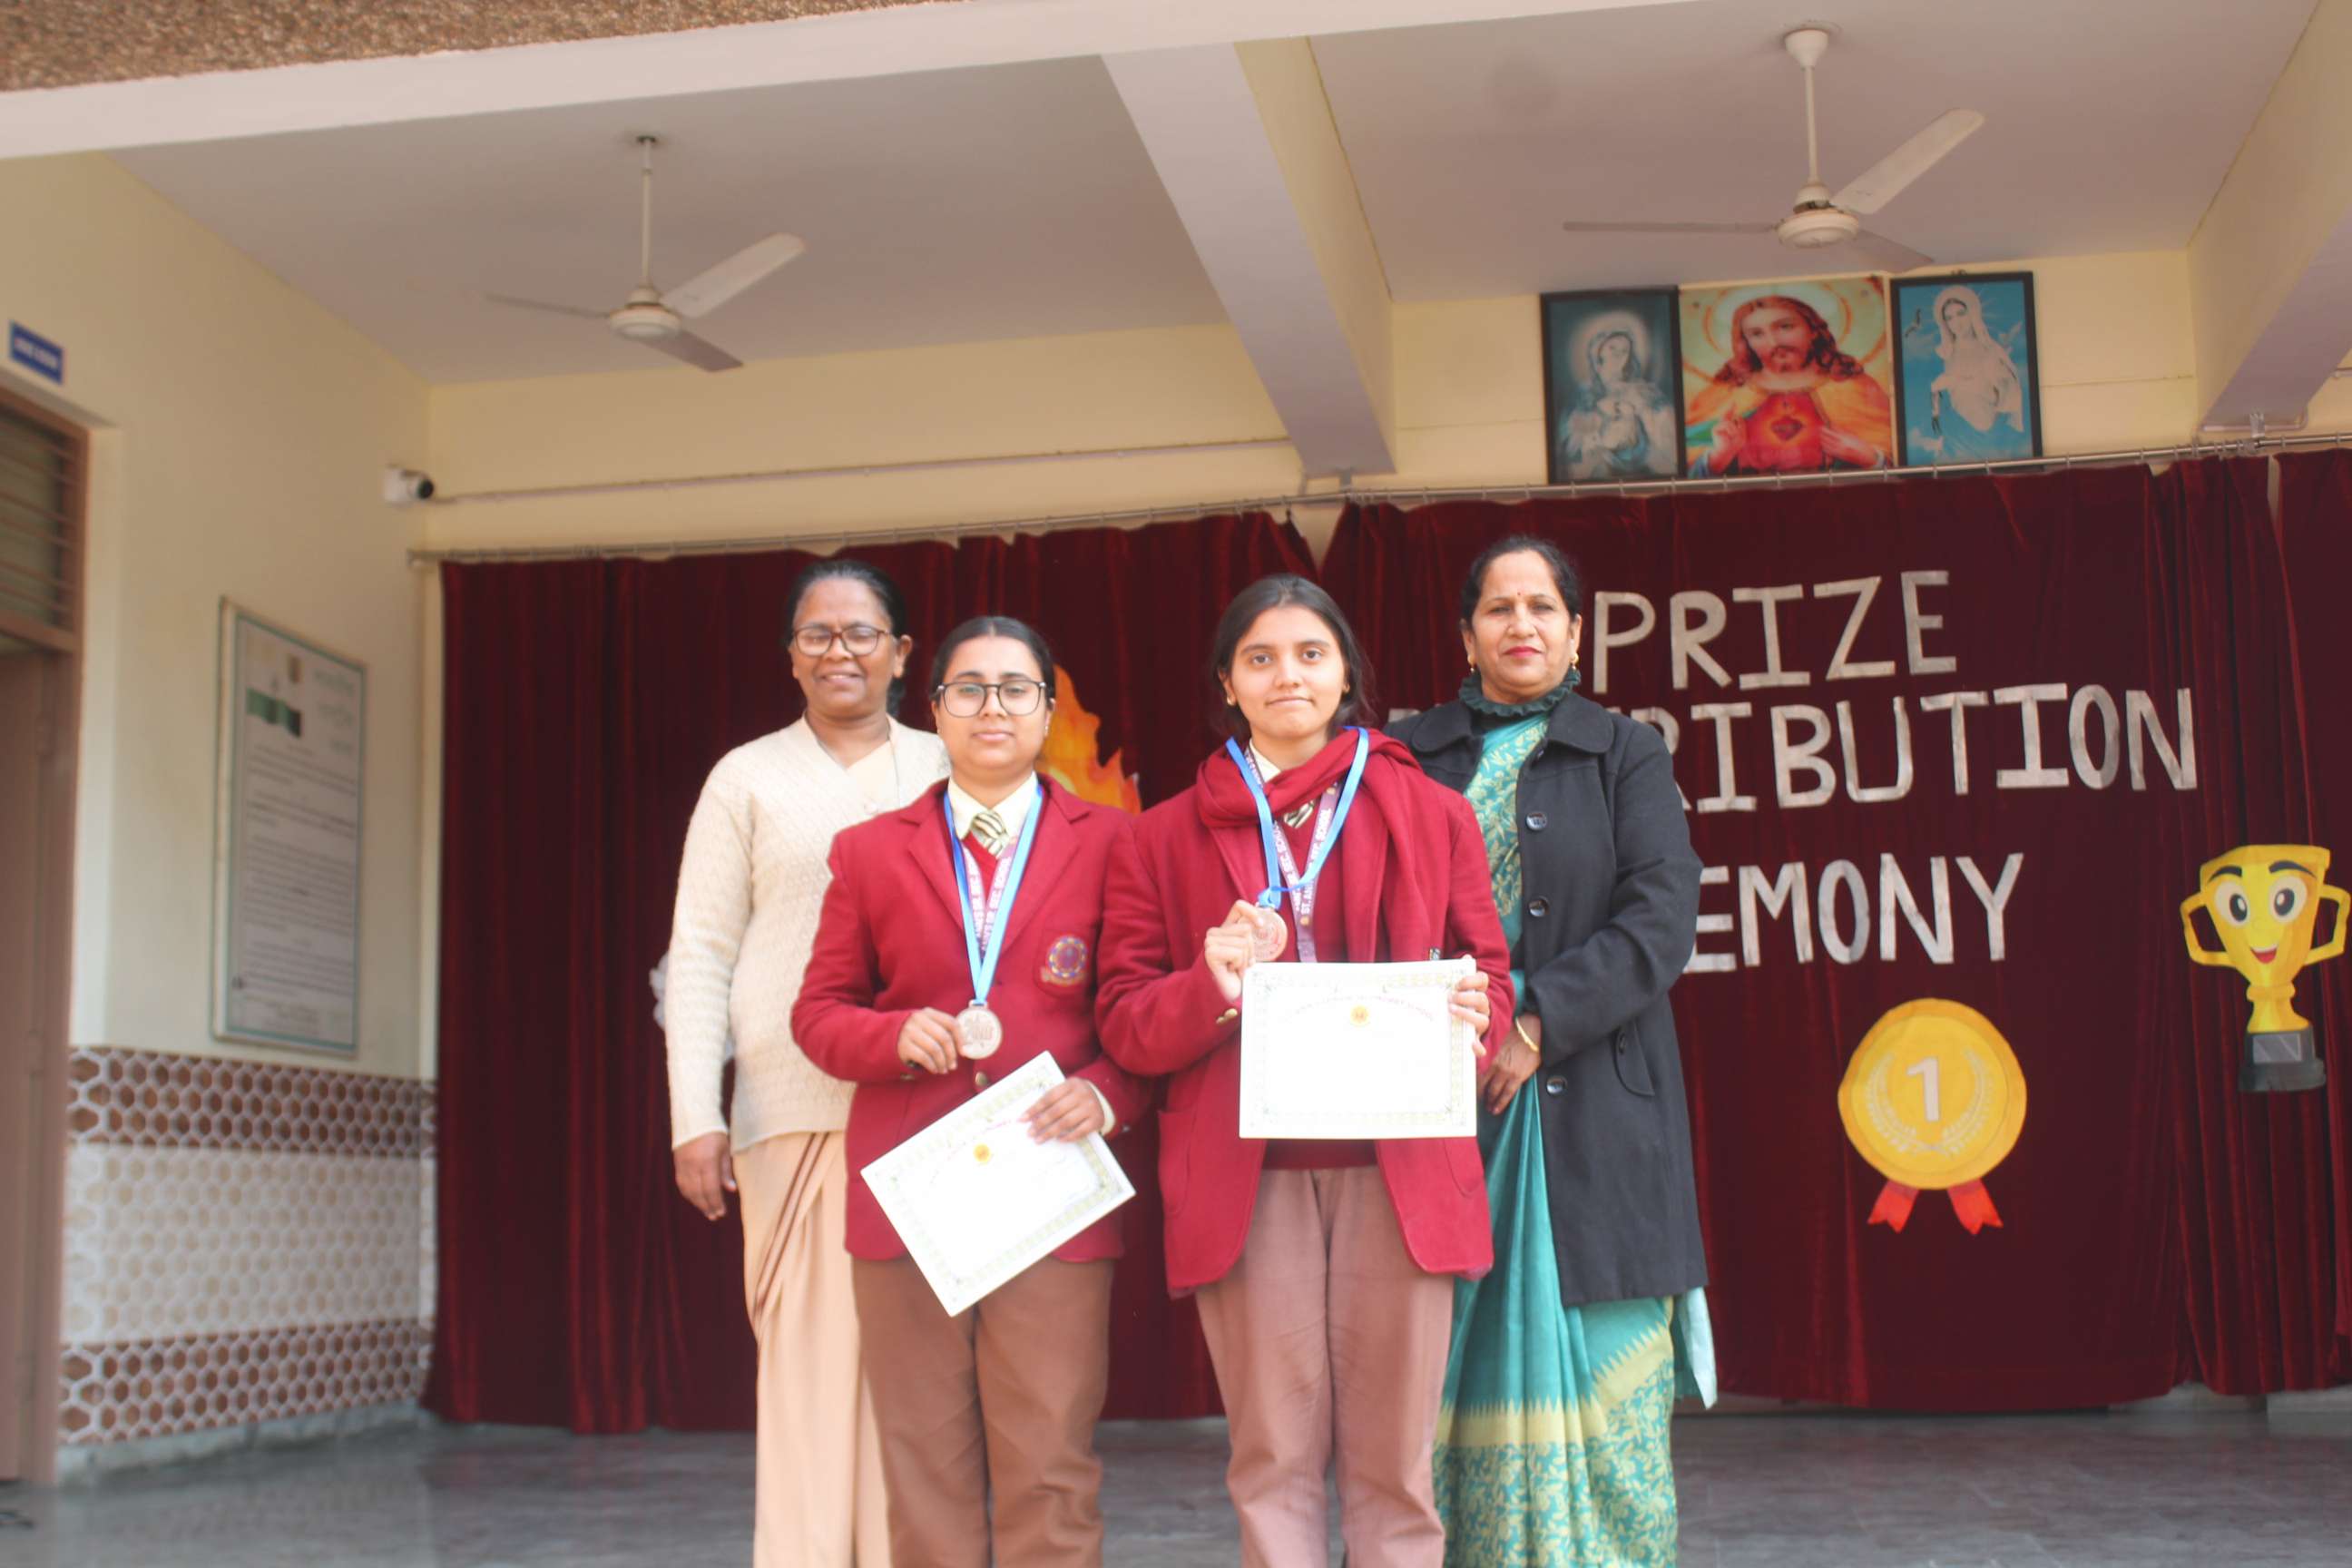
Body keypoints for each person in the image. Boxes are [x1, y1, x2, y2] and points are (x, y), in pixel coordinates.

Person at [1095, 574, 1513, 1568]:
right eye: (1261, 658)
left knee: (1396, 1468)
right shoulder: (1161, 836)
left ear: (1346, 675)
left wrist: (1477, 1017)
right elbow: (1126, 1026)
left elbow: (1489, 978)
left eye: (1310, 654)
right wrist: (1212, 982)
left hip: (1398, 1169)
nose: (1288, 675)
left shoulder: (1433, 812)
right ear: (1227, 683)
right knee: (1272, 1458)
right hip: (1249, 1180)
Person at [1387, 536, 1715, 1566]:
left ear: (1577, 632)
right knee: (1438, 1368)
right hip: (1441, 1102)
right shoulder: (1405, 757)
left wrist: (1532, 1020)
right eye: (1499, 608)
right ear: (1467, 634)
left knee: (1613, 1392)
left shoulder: (1625, 753)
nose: (1520, 625)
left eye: (1542, 608)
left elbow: (1660, 919)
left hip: (1599, 1114)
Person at [794, 616, 1148, 1568]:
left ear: (1047, 710)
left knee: (1050, 1463)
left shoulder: (1117, 842)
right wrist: (890, 1037)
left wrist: (1109, 1092)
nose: (994, 708)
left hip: (1050, 1182)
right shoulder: (869, 851)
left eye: (1016, 689)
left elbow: (1141, 1011)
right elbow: (818, 1015)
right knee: (924, 1466)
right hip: (913, 1194)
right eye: (969, 689)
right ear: (934, 708)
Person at [663, 557, 947, 1568]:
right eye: (817, 635)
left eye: (861, 633)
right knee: (808, 1380)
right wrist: (695, 1115)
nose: (840, 652)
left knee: (923, 1379)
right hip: (789, 1113)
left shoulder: (949, 765)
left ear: (902, 653)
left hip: (933, 1111)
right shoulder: (745, 777)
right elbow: (701, 952)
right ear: (790, 657)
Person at [1686, 292, 1892, 475]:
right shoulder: (1725, 394)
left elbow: (1896, 461)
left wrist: (1870, 459)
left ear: (1813, 330)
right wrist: (1719, 457)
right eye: (1757, 334)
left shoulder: (1854, 388)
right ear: (1746, 342)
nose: (1774, 342)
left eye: (1785, 327)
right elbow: (1687, 471)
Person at [1559, 322, 1679, 481]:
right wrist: (1598, 435)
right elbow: (1570, 443)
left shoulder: (1645, 391)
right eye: (1612, 348)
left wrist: (1640, 418)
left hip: (1642, 467)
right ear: (1599, 350)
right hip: (1597, 472)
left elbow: (1668, 430)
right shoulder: (1583, 395)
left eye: (1624, 351)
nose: (1618, 354)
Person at [1919, 285, 2027, 461]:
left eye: (1961, 314)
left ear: (1972, 313)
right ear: (1944, 323)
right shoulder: (1945, 354)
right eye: (1949, 318)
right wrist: (1939, 389)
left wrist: (1960, 381)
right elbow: (1936, 395)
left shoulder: (1990, 350)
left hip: (1990, 430)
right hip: (1957, 432)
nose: (1957, 322)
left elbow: (2011, 389)